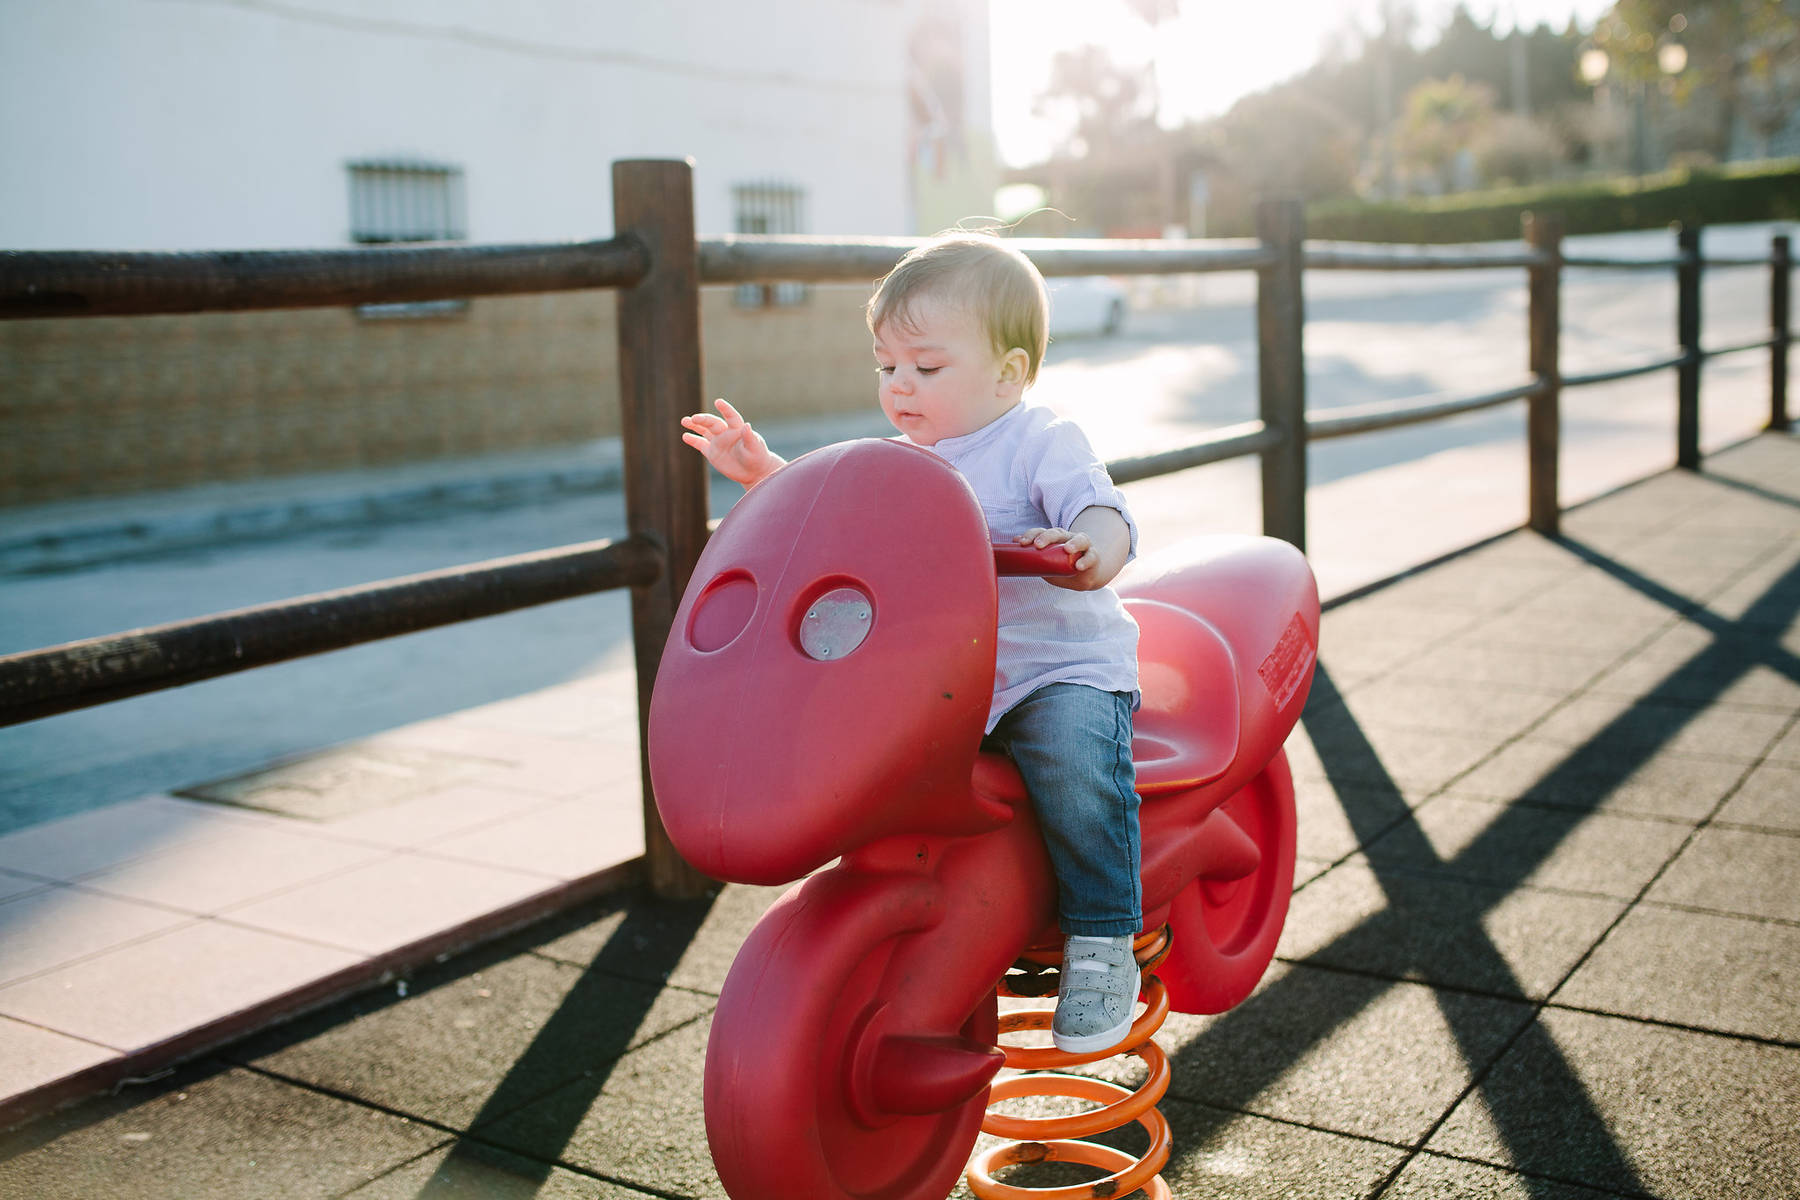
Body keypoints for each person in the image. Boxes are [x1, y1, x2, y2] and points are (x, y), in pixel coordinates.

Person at [680, 232, 1143, 1054]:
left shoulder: (1041, 441)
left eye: (926, 368)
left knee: (1074, 760)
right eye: (886, 367)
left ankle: (1105, 936)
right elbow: (838, 519)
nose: (901, 386)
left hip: (1050, 671)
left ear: (1006, 372)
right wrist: (766, 475)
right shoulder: (902, 463)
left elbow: (1101, 510)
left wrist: (1091, 548)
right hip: (948, 681)